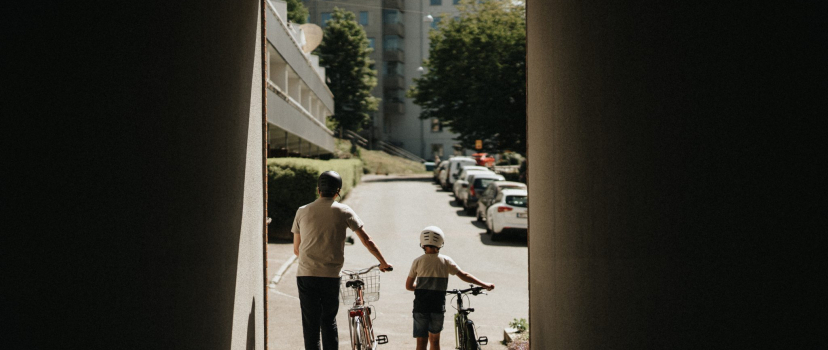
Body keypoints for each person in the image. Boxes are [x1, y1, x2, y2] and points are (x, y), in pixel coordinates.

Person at [292, 170, 393, 350]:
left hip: (306, 275)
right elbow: (366, 239)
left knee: (311, 325)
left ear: (318, 189)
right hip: (330, 276)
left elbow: (296, 249)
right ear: (338, 190)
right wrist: (383, 262)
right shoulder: (344, 211)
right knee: (328, 321)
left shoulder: (302, 211)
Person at [405, 226, 494, 350]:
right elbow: (464, 275)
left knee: (421, 342)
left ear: (422, 244)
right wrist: (484, 284)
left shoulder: (417, 261)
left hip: (420, 306)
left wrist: (422, 287)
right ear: (441, 243)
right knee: (435, 341)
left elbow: (408, 286)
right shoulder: (446, 261)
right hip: (437, 306)